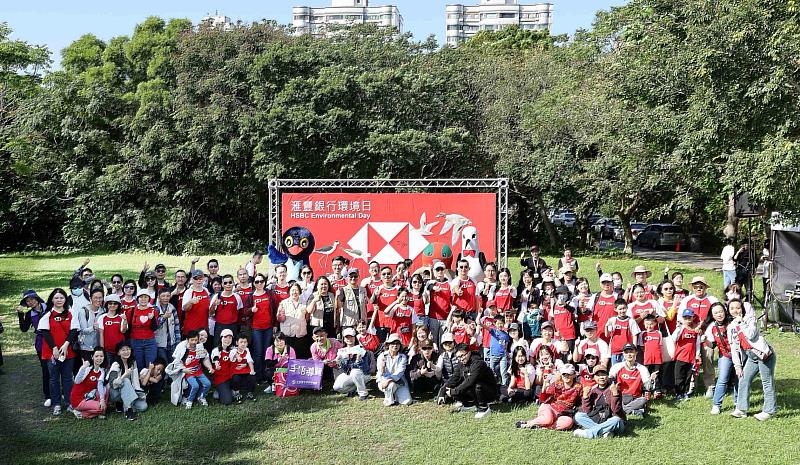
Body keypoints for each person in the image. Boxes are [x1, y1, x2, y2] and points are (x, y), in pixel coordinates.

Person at [729, 299, 776, 421]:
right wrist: (737, 366)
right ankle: (741, 409)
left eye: (738, 308)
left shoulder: (750, 320)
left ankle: (769, 411)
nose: (735, 310)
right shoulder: (731, 327)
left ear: (742, 309)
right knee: (743, 379)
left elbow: (750, 335)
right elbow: (734, 348)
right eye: (732, 308)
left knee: (767, 381)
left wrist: (741, 323)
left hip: (764, 355)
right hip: (751, 356)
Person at [39, 288, 79, 416]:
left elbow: (74, 331)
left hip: (68, 352)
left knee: (67, 378)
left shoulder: (71, 313)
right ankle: (56, 404)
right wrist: (54, 348)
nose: (59, 300)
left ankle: (69, 403)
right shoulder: (47, 315)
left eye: (61, 297)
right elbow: (45, 333)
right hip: (52, 353)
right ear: (52, 299)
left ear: (65, 299)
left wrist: (66, 345)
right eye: (56, 298)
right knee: (54, 379)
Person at [678, 276, 719, 398]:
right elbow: (680, 317)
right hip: (691, 336)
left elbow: (717, 315)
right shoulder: (687, 300)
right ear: (693, 287)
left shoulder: (712, 299)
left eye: (701, 286)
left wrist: (704, 325)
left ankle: (710, 386)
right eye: (696, 286)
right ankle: (691, 386)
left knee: (708, 360)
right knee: (692, 361)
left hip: (707, 336)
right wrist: (691, 327)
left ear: (705, 287)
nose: (698, 288)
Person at [440, 343, 497, 418]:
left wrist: (454, 392)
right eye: (458, 357)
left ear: (469, 352)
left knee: (476, 385)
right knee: (457, 383)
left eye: (463, 355)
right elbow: (454, 378)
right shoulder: (461, 364)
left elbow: (470, 381)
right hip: (474, 391)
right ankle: (470, 404)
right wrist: (442, 392)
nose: (461, 359)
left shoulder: (478, 363)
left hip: (489, 392)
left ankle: (484, 408)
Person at [516, 363, 580, 430]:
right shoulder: (557, 384)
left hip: (563, 413)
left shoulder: (578, 387)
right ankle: (529, 423)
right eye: (564, 374)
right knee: (548, 420)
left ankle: (543, 427)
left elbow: (581, 400)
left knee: (568, 422)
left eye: (569, 374)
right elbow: (542, 399)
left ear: (574, 375)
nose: (566, 376)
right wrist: (544, 388)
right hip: (549, 407)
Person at [573, 365, 626, 439]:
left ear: (607, 376)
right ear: (594, 378)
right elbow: (587, 411)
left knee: (616, 419)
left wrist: (615, 394)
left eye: (603, 374)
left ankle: (589, 433)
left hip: (615, 421)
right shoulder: (593, 391)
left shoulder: (614, 389)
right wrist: (585, 396)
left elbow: (616, 410)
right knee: (579, 416)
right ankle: (606, 431)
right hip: (599, 419)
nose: (601, 377)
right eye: (598, 375)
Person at [17, 289, 51, 406]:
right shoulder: (29, 314)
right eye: (27, 301)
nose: (30, 302)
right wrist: (20, 314)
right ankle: (48, 395)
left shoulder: (49, 307)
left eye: (31, 299)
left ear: (36, 298)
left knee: (59, 368)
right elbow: (24, 328)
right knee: (45, 369)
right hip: (41, 343)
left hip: (55, 340)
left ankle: (61, 391)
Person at [704, 302, 737, 415]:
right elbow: (711, 345)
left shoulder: (733, 321)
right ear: (712, 315)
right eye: (716, 312)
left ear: (725, 311)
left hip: (739, 354)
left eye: (721, 311)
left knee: (739, 379)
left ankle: (738, 404)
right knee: (722, 379)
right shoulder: (712, 327)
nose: (719, 314)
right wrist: (705, 340)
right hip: (725, 355)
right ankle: (716, 405)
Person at [107, 341, 147, 420]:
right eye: (123, 350)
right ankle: (128, 410)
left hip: (128, 391)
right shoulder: (116, 364)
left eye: (128, 349)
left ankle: (123, 403)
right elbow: (112, 384)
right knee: (126, 381)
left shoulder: (132, 362)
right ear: (118, 353)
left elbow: (136, 383)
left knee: (143, 406)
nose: (126, 352)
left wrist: (140, 393)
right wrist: (125, 375)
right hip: (114, 392)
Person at [173, 330, 214, 409]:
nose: (194, 342)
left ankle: (201, 397)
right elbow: (176, 361)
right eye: (192, 340)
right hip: (187, 372)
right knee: (195, 386)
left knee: (208, 383)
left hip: (198, 371)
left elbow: (205, 359)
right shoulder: (183, 347)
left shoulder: (200, 347)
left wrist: (210, 367)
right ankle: (189, 400)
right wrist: (183, 369)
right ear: (187, 340)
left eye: (196, 340)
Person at [609, 343, 650, 416]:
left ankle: (622, 410)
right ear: (623, 354)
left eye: (631, 352)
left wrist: (652, 381)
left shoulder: (642, 369)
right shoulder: (616, 367)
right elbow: (610, 381)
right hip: (620, 397)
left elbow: (647, 387)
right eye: (626, 352)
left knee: (644, 400)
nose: (629, 354)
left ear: (636, 353)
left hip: (635, 398)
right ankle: (633, 411)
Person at [671, 309, 702, 401]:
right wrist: (679, 328)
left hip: (691, 358)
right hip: (680, 357)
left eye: (689, 318)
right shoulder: (681, 329)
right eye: (685, 318)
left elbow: (697, 343)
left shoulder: (695, 331)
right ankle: (678, 393)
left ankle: (685, 392)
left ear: (693, 318)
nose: (688, 320)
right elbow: (674, 338)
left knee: (688, 377)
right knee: (679, 376)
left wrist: (697, 355)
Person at [333, 327, 371, 400]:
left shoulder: (361, 349)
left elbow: (364, 367)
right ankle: (352, 390)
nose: (349, 339)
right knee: (337, 387)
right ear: (344, 339)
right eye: (347, 337)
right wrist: (337, 362)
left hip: (363, 374)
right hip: (349, 374)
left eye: (351, 337)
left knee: (355, 372)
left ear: (355, 338)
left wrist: (358, 360)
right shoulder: (342, 351)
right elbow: (342, 368)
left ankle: (363, 394)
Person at [70, 347, 107, 419]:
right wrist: (83, 367)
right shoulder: (87, 368)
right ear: (92, 357)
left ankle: (96, 411)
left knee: (105, 391)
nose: (99, 358)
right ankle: (81, 413)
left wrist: (102, 400)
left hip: (88, 397)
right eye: (96, 356)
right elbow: (77, 381)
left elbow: (100, 386)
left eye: (101, 356)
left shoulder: (101, 371)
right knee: (100, 408)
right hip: (78, 399)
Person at [377, 333, 412, 407]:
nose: (395, 345)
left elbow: (400, 372)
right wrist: (382, 369)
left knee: (407, 401)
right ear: (388, 345)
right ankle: (388, 399)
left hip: (399, 382)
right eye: (393, 343)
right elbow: (380, 373)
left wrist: (389, 380)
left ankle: (394, 395)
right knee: (391, 385)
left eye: (397, 343)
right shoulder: (382, 356)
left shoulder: (403, 357)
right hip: (384, 382)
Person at [250, 273, 273, 384]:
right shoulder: (251, 296)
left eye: (261, 281)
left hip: (268, 327)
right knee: (258, 352)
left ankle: (265, 375)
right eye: (257, 282)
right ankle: (257, 376)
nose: (259, 284)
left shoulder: (269, 294)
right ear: (254, 283)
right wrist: (251, 310)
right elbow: (244, 311)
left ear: (264, 282)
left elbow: (274, 309)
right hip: (256, 328)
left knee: (266, 352)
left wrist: (275, 325)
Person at [210, 274, 243, 347]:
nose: (228, 284)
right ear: (222, 284)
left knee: (232, 347)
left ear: (233, 283)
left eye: (230, 282)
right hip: (220, 326)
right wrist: (214, 304)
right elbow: (210, 313)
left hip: (233, 326)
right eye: (225, 283)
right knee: (217, 347)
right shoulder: (217, 296)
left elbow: (240, 312)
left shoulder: (237, 297)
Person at [278, 283, 310, 358]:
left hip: (300, 334)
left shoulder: (304, 303)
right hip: (288, 335)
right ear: (289, 291)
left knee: (300, 357)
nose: (294, 292)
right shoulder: (283, 303)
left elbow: (307, 318)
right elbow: (280, 319)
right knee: (288, 357)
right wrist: (280, 314)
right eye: (292, 290)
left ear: (300, 291)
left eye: (296, 290)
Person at [129, 288, 159, 370]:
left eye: (146, 297)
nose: (143, 299)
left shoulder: (153, 310)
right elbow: (129, 327)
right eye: (141, 297)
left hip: (149, 341)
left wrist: (152, 319)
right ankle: (140, 382)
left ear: (149, 299)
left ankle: (150, 382)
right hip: (136, 341)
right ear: (137, 298)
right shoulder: (132, 310)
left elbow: (154, 328)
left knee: (150, 365)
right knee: (139, 366)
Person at [426, 260, 453, 345]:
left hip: (445, 318)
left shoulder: (450, 284)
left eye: (441, 269)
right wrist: (433, 287)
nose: (440, 271)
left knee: (443, 343)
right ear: (434, 271)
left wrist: (451, 317)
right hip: (433, 317)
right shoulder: (431, 282)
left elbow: (452, 300)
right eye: (437, 269)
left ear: (444, 270)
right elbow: (427, 287)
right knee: (433, 342)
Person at [605, 298, 640, 364]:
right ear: (615, 309)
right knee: (615, 370)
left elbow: (635, 335)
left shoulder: (631, 321)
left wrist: (634, 349)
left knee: (626, 369)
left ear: (627, 308)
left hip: (627, 351)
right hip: (615, 351)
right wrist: (606, 326)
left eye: (624, 308)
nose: (622, 311)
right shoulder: (613, 320)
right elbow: (607, 335)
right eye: (620, 309)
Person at [638, 314, 665, 398]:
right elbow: (642, 346)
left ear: (655, 324)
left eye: (651, 324)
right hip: (647, 359)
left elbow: (660, 345)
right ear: (644, 324)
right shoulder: (642, 334)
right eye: (647, 324)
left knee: (657, 375)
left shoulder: (658, 333)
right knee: (647, 375)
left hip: (657, 358)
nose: (649, 326)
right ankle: (647, 391)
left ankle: (657, 391)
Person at [370, 267, 399, 342]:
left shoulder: (398, 289)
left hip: (394, 323)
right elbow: (372, 301)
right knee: (381, 347)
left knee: (394, 345)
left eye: (388, 273)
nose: (386, 276)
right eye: (384, 274)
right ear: (381, 276)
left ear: (392, 275)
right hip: (380, 323)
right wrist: (375, 295)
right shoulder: (379, 288)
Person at [97, 294, 128, 365]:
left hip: (120, 351)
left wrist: (125, 320)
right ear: (107, 305)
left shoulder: (121, 317)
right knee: (109, 370)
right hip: (108, 351)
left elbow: (123, 331)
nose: (112, 305)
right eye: (110, 303)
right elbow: (101, 334)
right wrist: (102, 350)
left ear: (118, 305)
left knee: (119, 369)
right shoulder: (102, 317)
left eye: (115, 303)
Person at [263, 332, 297, 396]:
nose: (280, 343)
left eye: (281, 340)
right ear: (273, 342)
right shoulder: (270, 349)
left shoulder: (290, 349)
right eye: (277, 341)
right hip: (275, 370)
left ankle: (288, 386)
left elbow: (294, 364)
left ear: (285, 341)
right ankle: (272, 386)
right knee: (268, 371)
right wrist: (279, 359)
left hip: (287, 370)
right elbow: (268, 364)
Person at [76, 288, 104, 366]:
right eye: (96, 298)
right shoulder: (84, 311)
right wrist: (93, 328)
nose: (98, 300)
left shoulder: (103, 311)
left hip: (98, 348)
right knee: (86, 369)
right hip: (85, 347)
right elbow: (83, 330)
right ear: (90, 298)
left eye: (100, 297)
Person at [587, 274, 618, 344]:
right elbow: (587, 312)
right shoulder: (595, 296)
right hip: (597, 332)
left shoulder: (617, 296)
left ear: (612, 283)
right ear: (600, 284)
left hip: (613, 332)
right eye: (604, 282)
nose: (606, 284)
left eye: (608, 282)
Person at [182, 269, 212, 336]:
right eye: (196, 278)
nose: (198, 280)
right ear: (192, 279)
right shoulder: (189, 292)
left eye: (200, 278)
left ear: (203, 279)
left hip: (204, 328)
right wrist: (190, 302)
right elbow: (184, 308)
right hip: (191, 328)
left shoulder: (206, 290)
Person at [229, 334, 257, 401]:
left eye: (245, 342)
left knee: (252, 377)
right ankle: (236, 392)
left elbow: (250, 361)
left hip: (245, 370)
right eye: (241, 342)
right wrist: (237, 356)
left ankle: (250, 392)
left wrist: (252, 370)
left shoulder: (247, 350)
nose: (243, 344)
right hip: (235, 370)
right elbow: (231, 357)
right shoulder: (233, 350)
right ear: (237, 343)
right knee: (236, 378)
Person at [210, 329, 236, 405]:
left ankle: (230, 390)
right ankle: (219, 391)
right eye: (225, 337)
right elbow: (215, 358)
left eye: (230, 338)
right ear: (221, 338)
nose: (227, 340)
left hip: (231, 376)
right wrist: (217, 364)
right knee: (227, 401)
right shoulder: (216, 350)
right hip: (221, 378)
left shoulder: (233, 349)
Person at [154, 287, 179, 362]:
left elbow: (176, 326)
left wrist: (177, 342)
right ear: (158, 297)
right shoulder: (155, 309)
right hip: (160, 344)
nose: (166, 298)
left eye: (168, 296)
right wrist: (164, 317)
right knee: (163, 363)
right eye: (163, 296)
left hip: (172, 342)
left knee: (172, 363)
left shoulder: (172, 308)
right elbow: (155, 326)